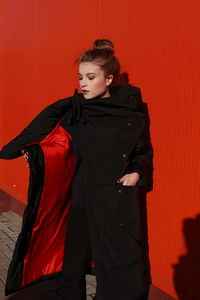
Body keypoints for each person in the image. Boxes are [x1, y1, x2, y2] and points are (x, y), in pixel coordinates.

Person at [0, 39, 153, 300]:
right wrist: (36, 156)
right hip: (81, 200)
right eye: (80, 77)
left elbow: (143, 153)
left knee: (114, 269)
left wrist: (137, 173)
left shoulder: (130, 113)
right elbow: (55, 143)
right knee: (71, 268)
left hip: (114, 203)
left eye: (91, 77)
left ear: (108, 79)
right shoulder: (74, 112)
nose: (83, 83)